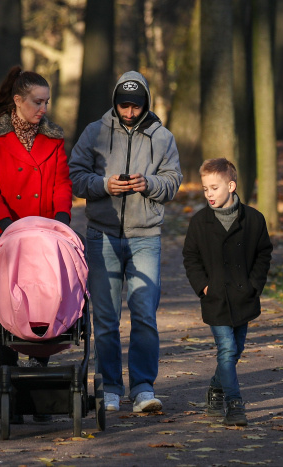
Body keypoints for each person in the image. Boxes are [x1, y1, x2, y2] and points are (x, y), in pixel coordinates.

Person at [69, 71, 182, 413]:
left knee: (145, 313)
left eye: (135, 106)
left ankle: (144, 388)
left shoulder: (162, 137)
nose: (129, 112)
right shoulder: (95, 132)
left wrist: (148, 183)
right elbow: (74, 175)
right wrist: (104, 185)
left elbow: (173, 182)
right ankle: (110, 388)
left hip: (145, 236)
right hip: (101, 235)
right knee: (104, 318)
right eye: (123, 105)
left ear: (145, 104)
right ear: (115, 103)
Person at [0, 66, 72, 422]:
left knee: (42, 307)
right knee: (5, 314)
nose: (43, 108)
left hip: (45, 238)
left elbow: (62, 181)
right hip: (4, 236)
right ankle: (9, 388)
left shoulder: (54, 137)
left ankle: (39, 384)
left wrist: (62, 215)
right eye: (37, 102)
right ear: (18, 101)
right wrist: (4, 222)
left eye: (47, 102)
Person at [181, 158, 272, 426]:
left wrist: (255, 284)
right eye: (205, 188)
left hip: (244, 296)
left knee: (235, 350)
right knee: (227, 349)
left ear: (231, 186)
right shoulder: (200, 222)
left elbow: (263, 254)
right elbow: (191, 257)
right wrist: (203, 286)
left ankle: (216, 388)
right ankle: (234, 404)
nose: (209, 194)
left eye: (214, 188)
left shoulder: (254, 220)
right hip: (216, 298)